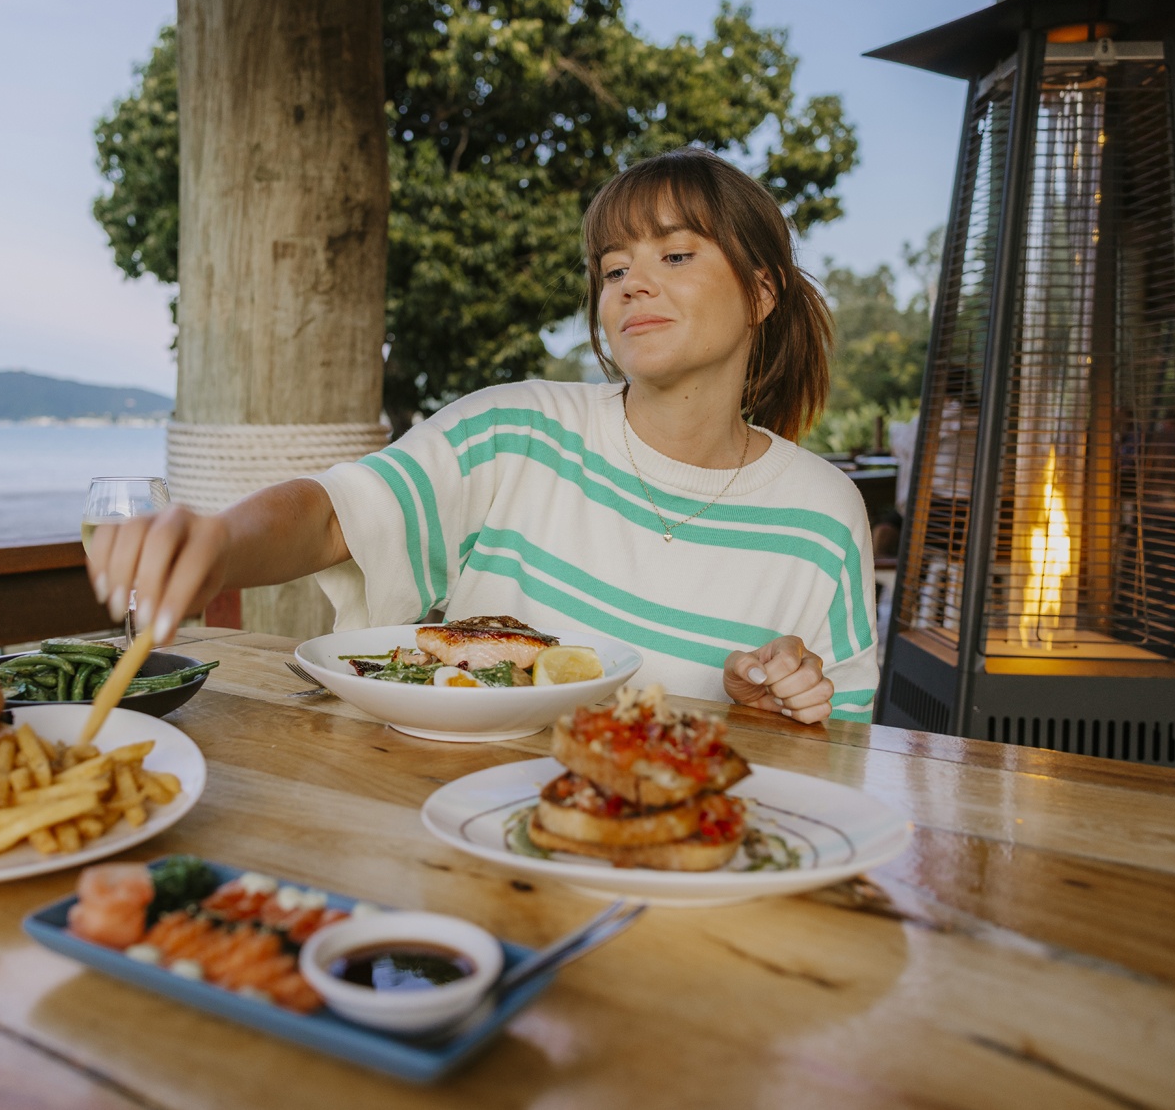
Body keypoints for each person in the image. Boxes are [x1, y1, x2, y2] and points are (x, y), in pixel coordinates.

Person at [90, 148, 877, 724]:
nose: (632, 283)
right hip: (437, 826)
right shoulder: (517, 429)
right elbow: (336, 513)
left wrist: (775, 706)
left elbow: (841, 751)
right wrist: (218, 541)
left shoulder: (822, 513)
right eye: (612, 269)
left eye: (675, 254)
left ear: (763, 290)